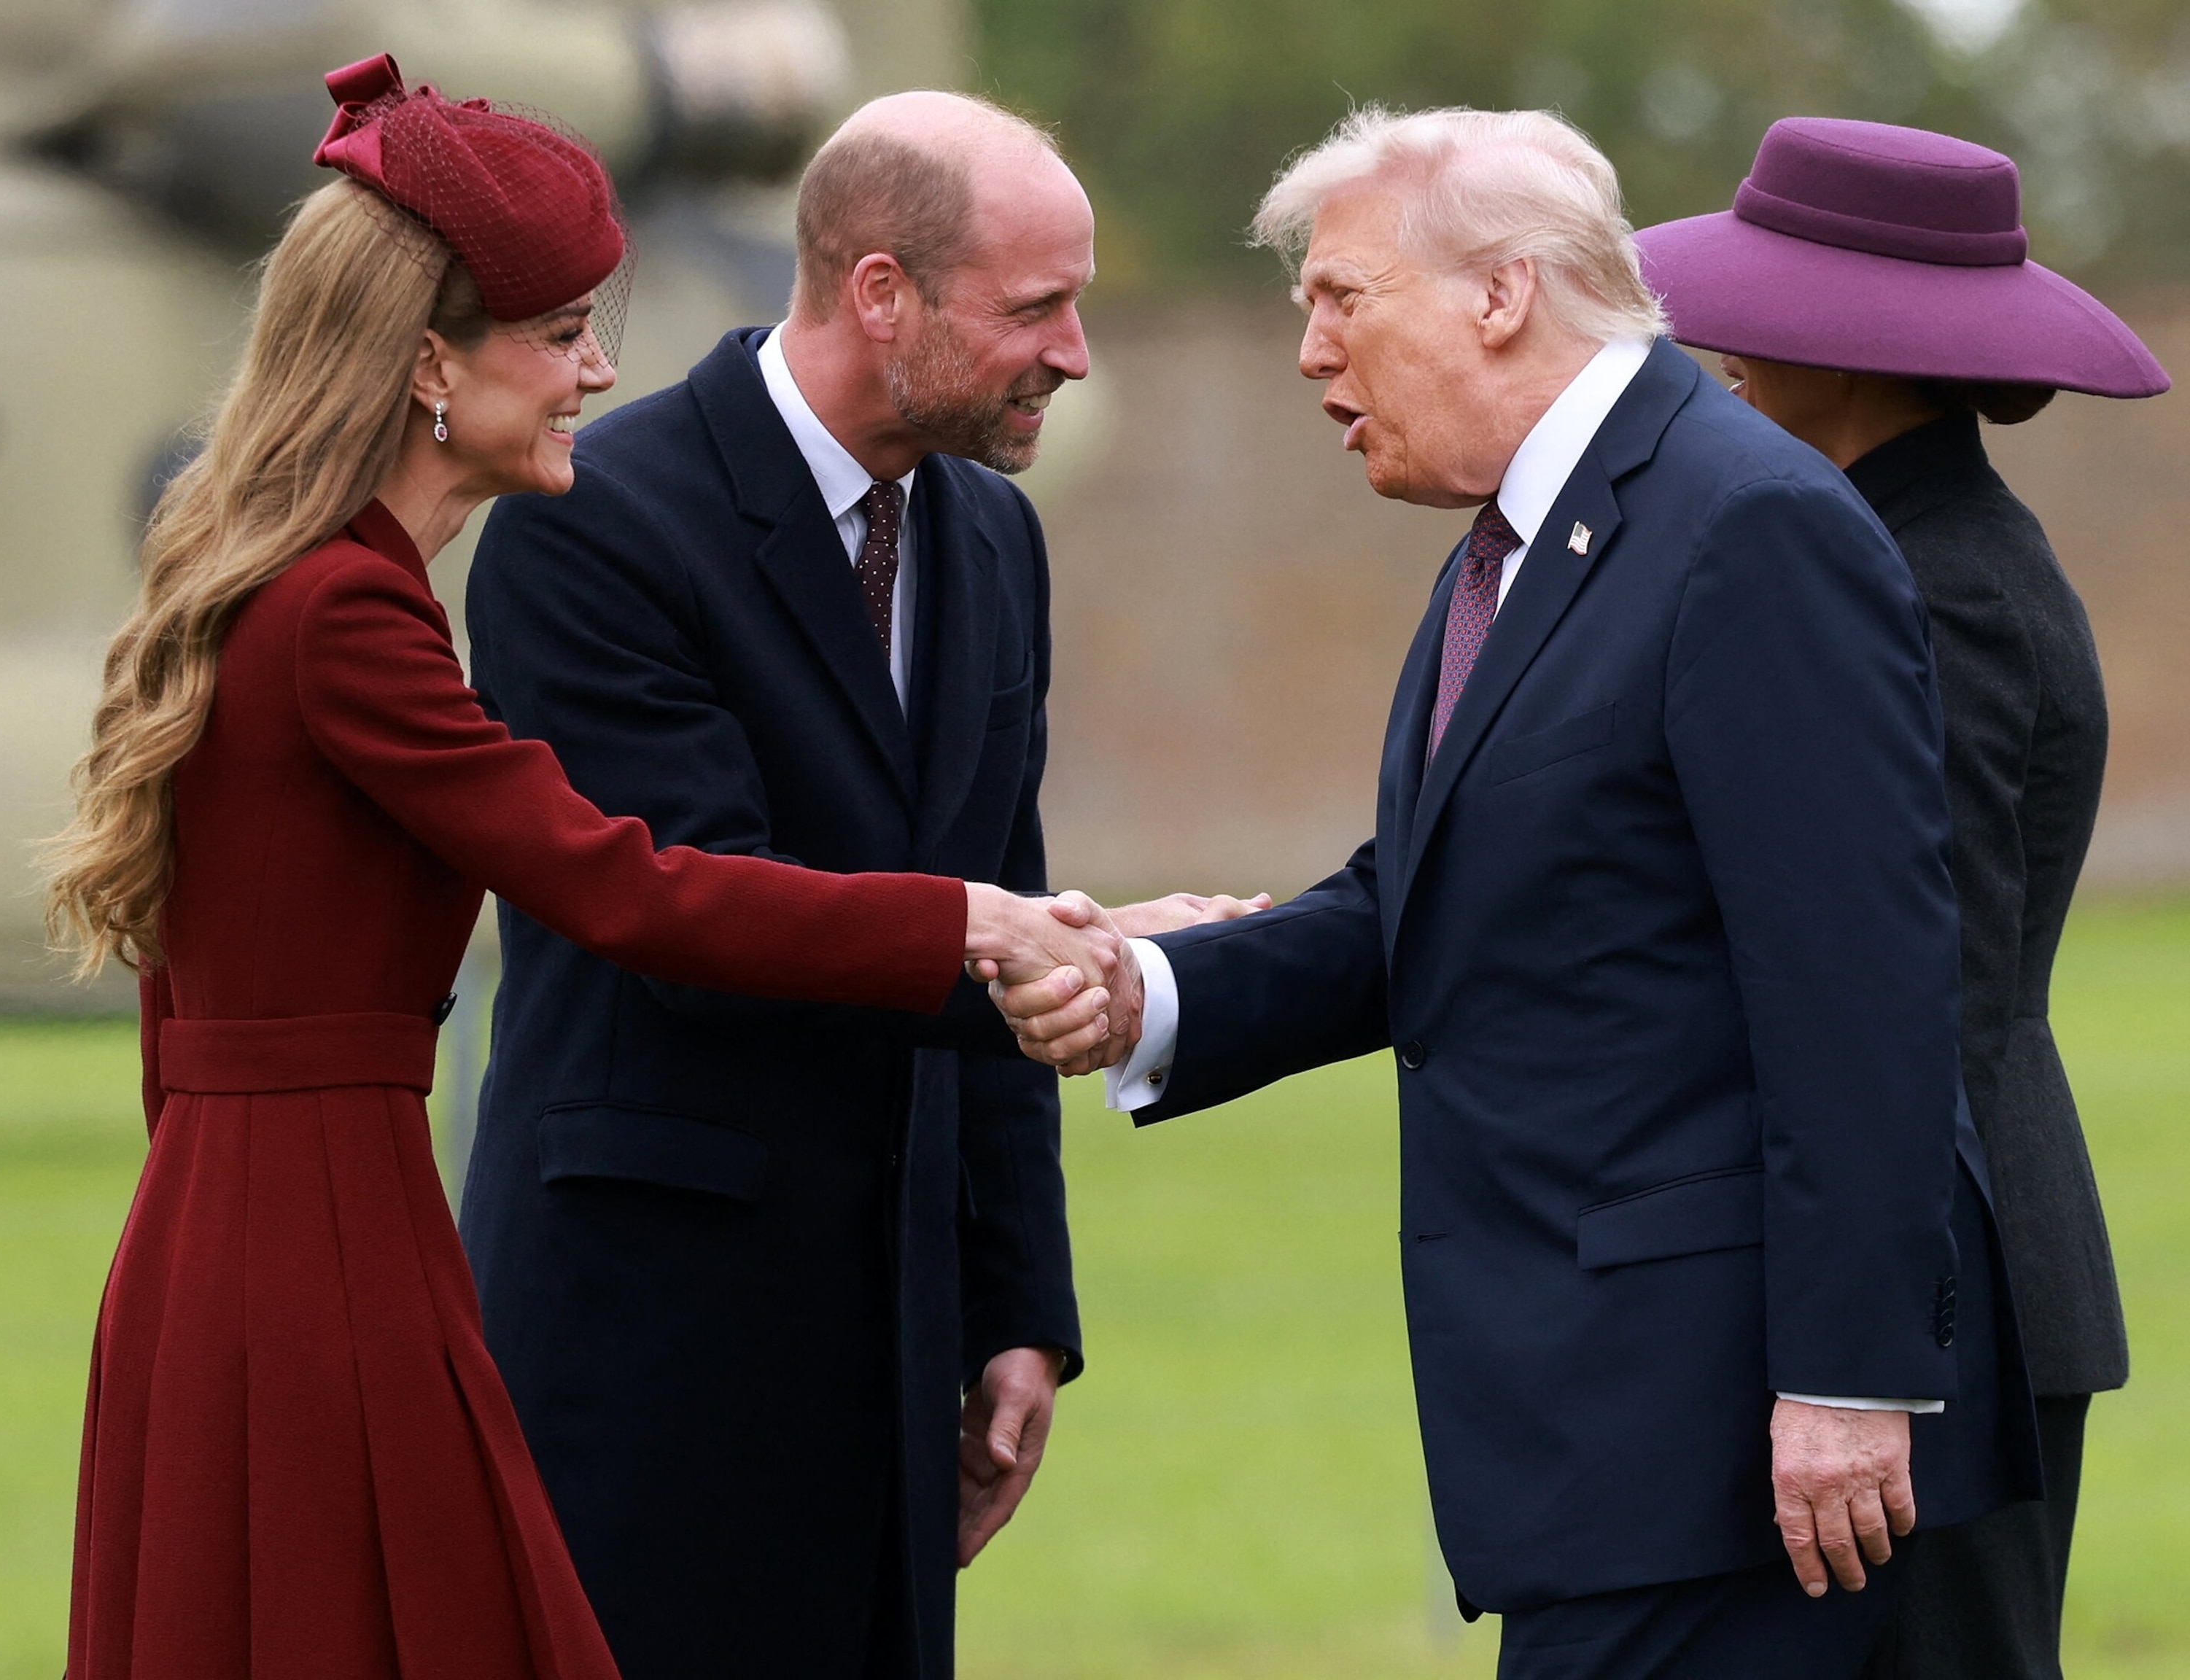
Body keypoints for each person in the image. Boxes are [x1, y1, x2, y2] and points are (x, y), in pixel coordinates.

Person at [39, 56, 1118, 1680]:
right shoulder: (351, 610)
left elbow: (182, 1010)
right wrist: (983, 925)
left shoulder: (298, 588)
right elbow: (632, 888)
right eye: (554, 337)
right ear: (423, 366)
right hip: (331, 1245)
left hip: (251, 1229)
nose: (594, 374)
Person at [996, 106, 2039, 1680]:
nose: (1308, 354)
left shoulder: (1745, 526)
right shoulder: (1522, 542)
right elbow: (1436, 900)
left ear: (1500, 293)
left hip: (1738, 1449)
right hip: (1609, 1446)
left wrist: (1847, 1378)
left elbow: (1862, 987)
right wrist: (1164, 993)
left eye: (1341, 297)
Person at [457, 88, 1259, 1680]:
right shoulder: (594, 524)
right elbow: (693, 917)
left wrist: (1017, 1303)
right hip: (650, 1350)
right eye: (1038, 307)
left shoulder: (992, 537)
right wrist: (1053, 949)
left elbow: (999, 870)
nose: (1079, 353)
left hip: (896, 1352)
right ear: (881, 292)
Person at [1636, 117, 2167, 1680]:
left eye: (1769, 300)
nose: (1723, 344)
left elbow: (1887, 982)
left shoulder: (1929, 581)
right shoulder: (1889, 544)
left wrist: (1865, 1341)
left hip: (1956, 1290)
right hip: (1937, 1272)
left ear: (1859, 342)